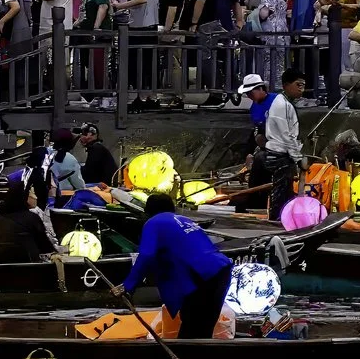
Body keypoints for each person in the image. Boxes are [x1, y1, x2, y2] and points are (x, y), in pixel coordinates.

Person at [117, 194, 234, 337]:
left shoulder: (154, 222)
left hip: (201, 276)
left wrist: (128, 286)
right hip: (221, 270)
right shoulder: (185, 220)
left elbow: (147, 255)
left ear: (148, 212)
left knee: (191, 333)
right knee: (203, 331)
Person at [255, 67, 305, 218]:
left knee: (287, 190)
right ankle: (276, 219)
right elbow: (286, 136)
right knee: (280, 191)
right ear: (286, 85)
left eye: (303, 86)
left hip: (283, 153)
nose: (301, 90)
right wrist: (298, 158)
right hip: (279, 154)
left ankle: (284, 217)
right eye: (298, 85)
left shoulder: (285, 103)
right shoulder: (281, 105)